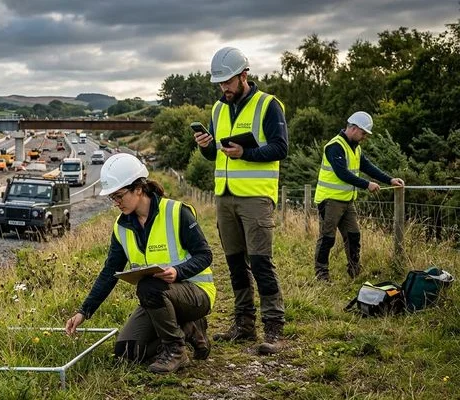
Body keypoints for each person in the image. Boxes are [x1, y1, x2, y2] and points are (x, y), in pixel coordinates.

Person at [65, 153, 216, 374]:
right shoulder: (121, 227)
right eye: (112, 198)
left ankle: (175, 351)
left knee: (148, 287)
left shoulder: (176, 212)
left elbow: (205, 255)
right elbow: (109, 272)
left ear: (138, 189)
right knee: (126, 351)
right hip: (158, 298)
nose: (116, 203)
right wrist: (84, 312)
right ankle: (188, 329)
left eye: (119, 196)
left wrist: (178, 272)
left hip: (196, 293)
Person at [192, 46, 289, 355]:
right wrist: (205, 145)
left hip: (256, 198)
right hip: (225, 197)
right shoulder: (218, 109)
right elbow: (214, 155)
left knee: (260, 263)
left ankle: (274, 328)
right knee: (235, 263)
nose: (224, 88)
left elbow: (281, 148)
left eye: (228, 81)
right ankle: (244, 324)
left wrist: (246, 153)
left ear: (244, 75)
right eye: (220, 83)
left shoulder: (268, 105)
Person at [313, 111, 405, 280]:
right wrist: (367, 184)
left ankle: (355, 271)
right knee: (327, 238)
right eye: (363, 133)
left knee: (354, 236)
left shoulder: (355, 148)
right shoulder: (335, 146)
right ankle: (321, 274)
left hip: (347, 201)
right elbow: (342, 173)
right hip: (330, 201)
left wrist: (390, 180)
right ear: (354, 128)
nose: (364, 137)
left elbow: (368, 167)